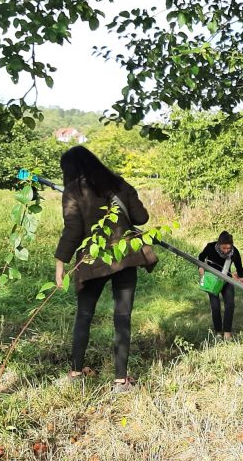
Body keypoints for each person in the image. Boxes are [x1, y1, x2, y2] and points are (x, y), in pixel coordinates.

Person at [54, 145, 150, 392]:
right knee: (122, 317)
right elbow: (141, 218)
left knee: (84, 316)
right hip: (125, 257)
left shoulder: (73, 191)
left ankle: (76, 373)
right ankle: (121, 381)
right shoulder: (119, 183)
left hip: (92, 262)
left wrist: (60, 264)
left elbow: (73, 230)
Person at [198, 231, 243, 340]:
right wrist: (200, 267)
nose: (226, 250)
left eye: (228, 248)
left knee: (230, 304)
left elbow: (239, 266)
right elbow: (201, 257)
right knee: (215, 306)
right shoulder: (210, 247)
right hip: (212, 280)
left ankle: (227, 332)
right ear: (219, 244)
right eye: (224, 248)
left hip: (226, 280)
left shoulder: (234, 252)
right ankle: (218, 332)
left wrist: (242, 278)